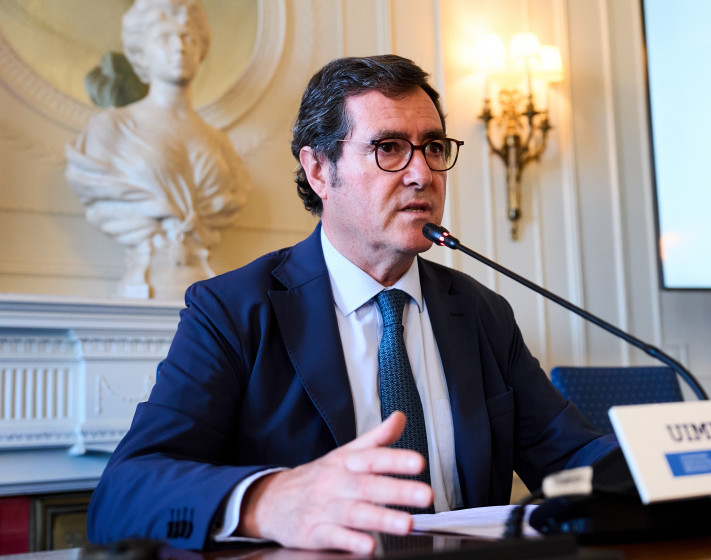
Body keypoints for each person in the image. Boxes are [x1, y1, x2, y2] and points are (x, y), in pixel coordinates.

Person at [87, 54, 616, 554]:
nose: (422, 174)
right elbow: (123, 495)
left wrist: (674, 465)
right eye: (388, 147)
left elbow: (570, 456)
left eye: (433, 147)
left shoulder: (480, 313)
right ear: (319, 170)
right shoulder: (232, 309)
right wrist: (266, 500)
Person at [65, 0, 250, 299]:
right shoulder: (112, 129)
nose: (179, 46)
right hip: (144, 282)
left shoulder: (220, 144)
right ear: (141, 52)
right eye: (165, 37)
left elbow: (231, 197)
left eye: (188, 37)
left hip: (205, 289)